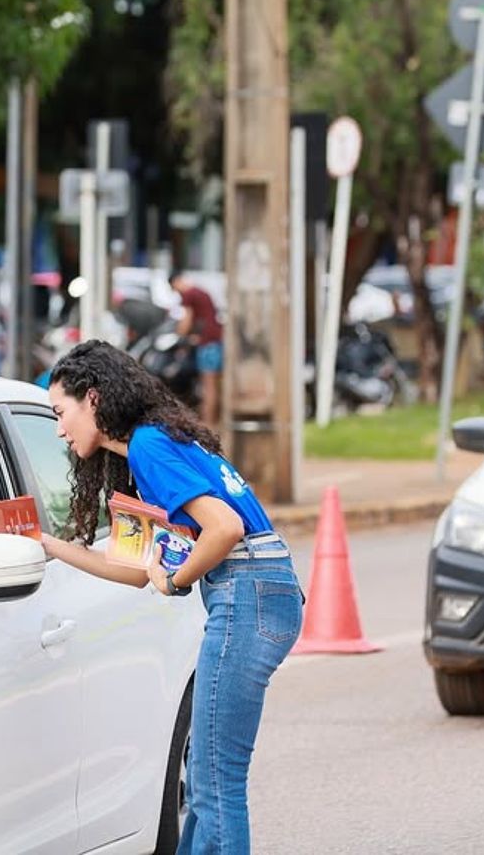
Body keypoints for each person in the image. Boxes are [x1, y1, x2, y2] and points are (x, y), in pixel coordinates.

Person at [42, 340, 301, 855]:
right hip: (263, 586)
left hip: (245, 591)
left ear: (92, 399)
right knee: (207, 776)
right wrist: (47, 545)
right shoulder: (151, 447)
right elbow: (137, 570)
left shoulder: (147, 447)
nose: (58, 429)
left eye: (59, 412)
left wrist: (179, 580)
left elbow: (223, 528)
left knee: (214, 780)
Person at [170, 267, 223, 428]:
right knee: (215, 384)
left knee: (208, 386)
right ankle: (214, 421)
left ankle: (208, 424)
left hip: (207, 344)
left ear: (176, 282)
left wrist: (178, 335)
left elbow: (187, 319)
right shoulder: (201, 291)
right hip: (216, 340)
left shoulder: (189, 294)